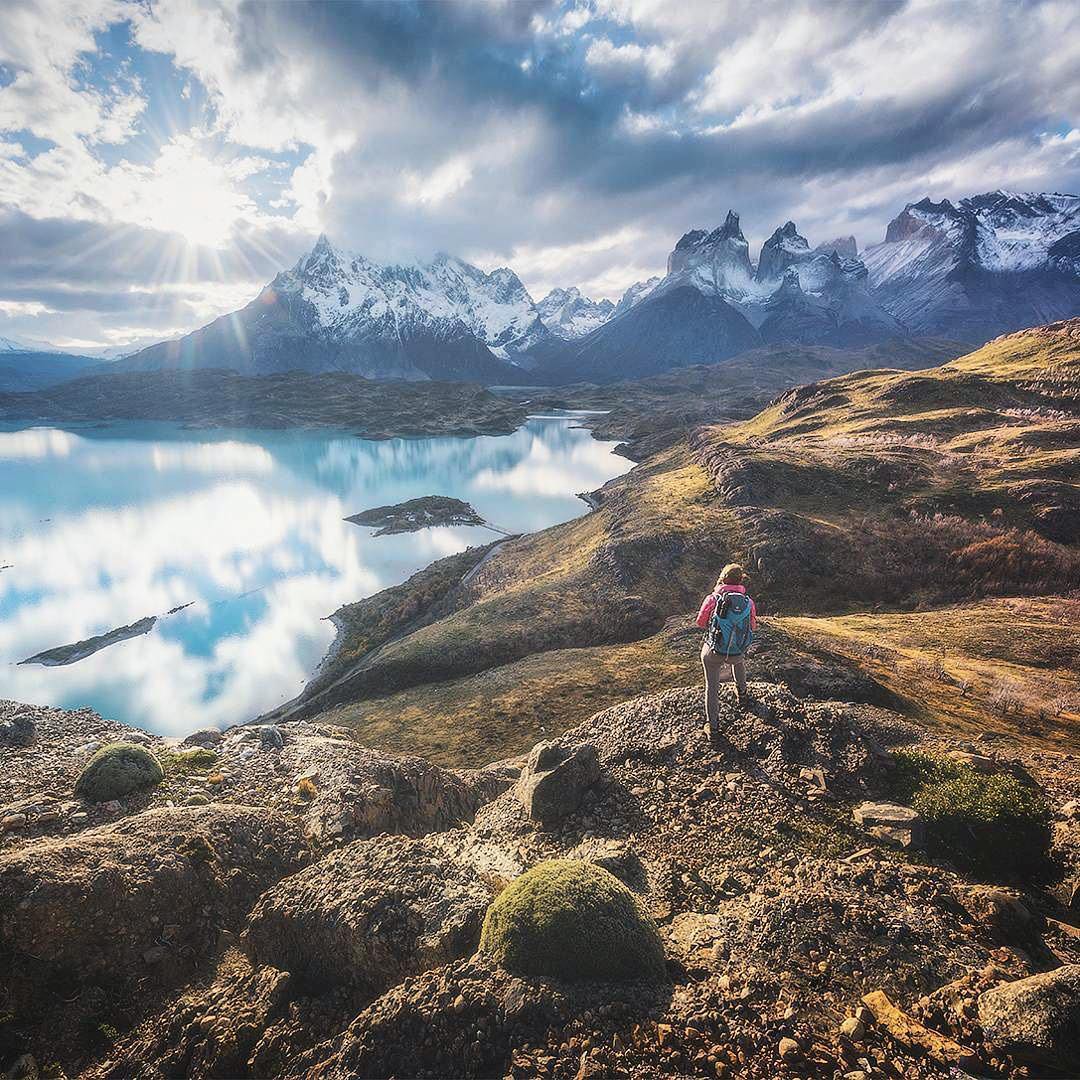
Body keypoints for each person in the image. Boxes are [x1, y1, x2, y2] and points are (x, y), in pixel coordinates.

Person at [695, 563, 757, 741]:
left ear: (722, 578)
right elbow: (752, 626)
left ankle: (713, 728)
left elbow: (700, 622)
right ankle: (742, 693)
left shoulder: (713, 599)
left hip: (715, 651)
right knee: (739, 661)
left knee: (712, 686)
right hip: (737, 652)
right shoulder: (748, 602)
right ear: (740, 580)